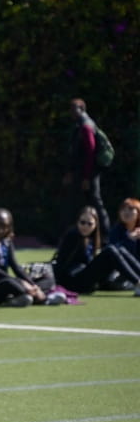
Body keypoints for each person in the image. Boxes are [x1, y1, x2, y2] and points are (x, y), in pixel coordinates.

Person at [52, 205, 140, 294]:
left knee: (119, 249)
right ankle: (138, 283)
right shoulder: (73, 235)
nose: (85, 226)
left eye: (89, 224)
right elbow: (61, 265)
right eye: (82, 222)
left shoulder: (91, 238)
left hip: (85, 278)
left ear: (95, 225)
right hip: (73, 282)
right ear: (77, 222)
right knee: (110, 250)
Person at [62, 99, 110, 237]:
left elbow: (90, 152)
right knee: (87, 202)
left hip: (88, 174)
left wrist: (87, 177)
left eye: (74, 109)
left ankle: (106, 234)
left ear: (82, 109)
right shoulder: (80, 125)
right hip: (82, 173)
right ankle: (83, 234)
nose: (71, 112)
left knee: (95, 202)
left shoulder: (86, 126)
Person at [108, 198, 140, 297]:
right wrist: (130, 239)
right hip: (123, 272)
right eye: (123, 209)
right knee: (112, 281)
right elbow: (115, 252)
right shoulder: (116, 231)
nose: (126, 212)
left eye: (130, 209)